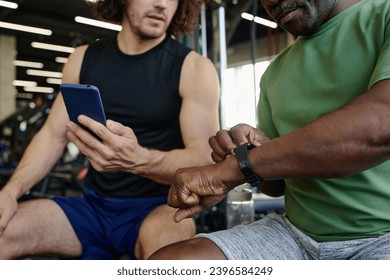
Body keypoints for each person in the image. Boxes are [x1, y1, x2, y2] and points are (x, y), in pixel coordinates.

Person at [149, 0, 390, 260]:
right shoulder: (274, 72)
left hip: (382, 237)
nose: (271, 2)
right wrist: (248, 148)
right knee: (168, 265)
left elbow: (380, 126)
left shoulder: (384, 15)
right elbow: (277, 186)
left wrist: (232, 170)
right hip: (295, 236)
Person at [0, 0, 220, 260]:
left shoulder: (193, 68)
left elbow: (204, 159)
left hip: (161, 207)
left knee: (171, 257)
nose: (161, 4)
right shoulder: (82, 59)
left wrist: (139, 160)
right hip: (93, 207)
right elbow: (52, 135)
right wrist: (10, 191)